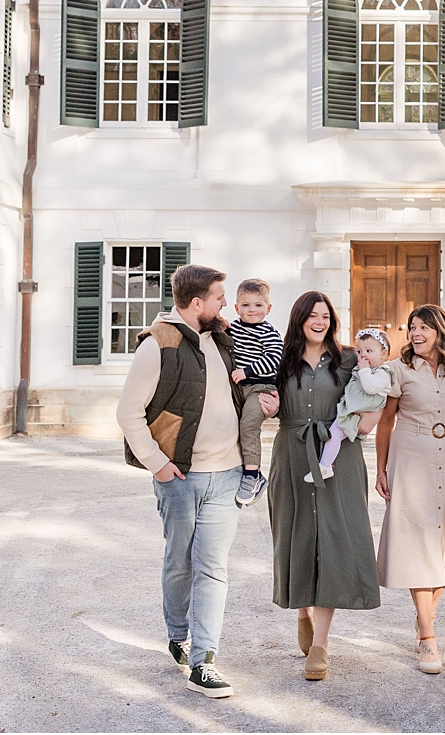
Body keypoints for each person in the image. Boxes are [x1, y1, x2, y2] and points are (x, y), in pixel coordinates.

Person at [116, 264, 278, 698]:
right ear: (196, 303)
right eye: (220, 297)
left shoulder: (223, 338)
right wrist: (157, 463)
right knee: (180, 562)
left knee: (213, 567)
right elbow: (128, 413)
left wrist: (268, 402)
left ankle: (204, 659)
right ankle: (178, 635)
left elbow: (244, 388)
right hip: (180, 477)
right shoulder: (158, 345)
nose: (226, 304)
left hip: (227, 474)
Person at [267, 291, 381, 681]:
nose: (320, 321)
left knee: (334, 541)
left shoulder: (350, 358)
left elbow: (379, 388)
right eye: (312, 315)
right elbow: (259, 398)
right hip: (293, 453)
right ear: (299, 318)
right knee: (297, 535)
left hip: (340, 457)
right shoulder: (279, 359)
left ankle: (321, 645)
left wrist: (372, 416)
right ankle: (303, 610)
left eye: (326, 316)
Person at [373, 305, 445, 674]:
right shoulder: (399, 369)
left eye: (423, 327)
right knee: (417, 541)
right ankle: (429, 638)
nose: (416, 333)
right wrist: (381, 469)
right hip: (411, 454)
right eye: (412, 328)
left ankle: (425, 618)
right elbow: (386, 420)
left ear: (440, 331)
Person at [304, 329, 394, 484]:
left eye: (369, 351)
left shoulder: (383, 373)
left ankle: (325, 466)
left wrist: (364, 369)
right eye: (359, 351)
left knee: (335, 434)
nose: (363, 355)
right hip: (354, 410)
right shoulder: (365, 369)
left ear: (383, 354)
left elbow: (370, 388)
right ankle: (325, 464)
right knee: (334, 434)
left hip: (359, 413)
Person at [228, 278, 283, 507]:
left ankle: (253, 475)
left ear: (268, 308)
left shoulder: (268, 331)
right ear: (236, 308)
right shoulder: (233, 328)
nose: (252, 310)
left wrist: (247, 371)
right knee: (231, 425)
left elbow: (273, 358)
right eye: (246, 305)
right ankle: (235, 467)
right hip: (238, 387)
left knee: (249, 425)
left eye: (258, 305)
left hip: (260, 387)